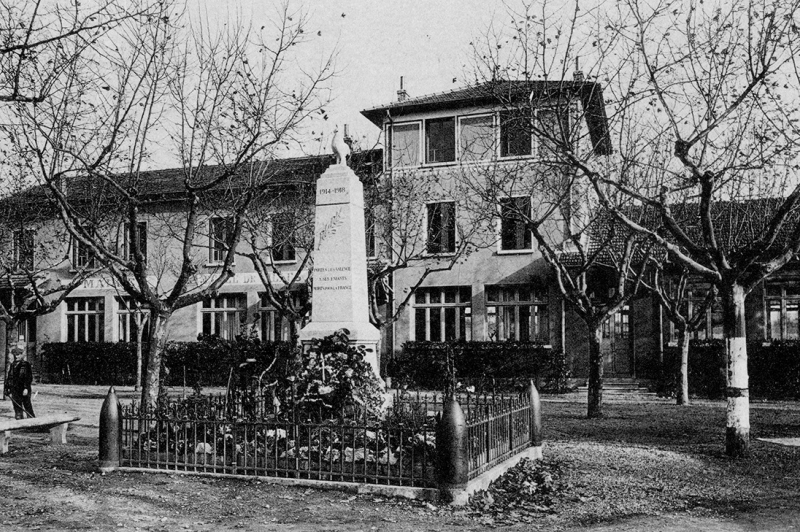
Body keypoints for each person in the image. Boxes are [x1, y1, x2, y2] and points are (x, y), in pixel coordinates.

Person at [4, 343, 35, 419]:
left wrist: (26, 388)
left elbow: (28, 378)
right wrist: (7, 388)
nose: (16, 356)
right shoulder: (12, 365)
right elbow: (9, 377)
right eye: (15, 354)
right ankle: (19, 419)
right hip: (14, 388)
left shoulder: (26, 364)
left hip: (23, 388)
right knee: (16, 404)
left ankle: (32, 420)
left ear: (22, 355)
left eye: (18, 354)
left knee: (27, 404)